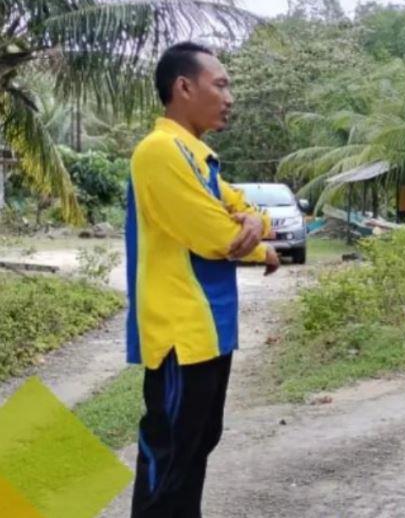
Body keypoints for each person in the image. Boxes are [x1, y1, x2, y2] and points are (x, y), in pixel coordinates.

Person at [126, 41, 280, 517]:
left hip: (212, 329)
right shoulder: (159, 151)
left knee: (197, 445)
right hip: (181, 331)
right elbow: (215, 234)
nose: (229, 96)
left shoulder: (199, 156)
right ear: (184, 87)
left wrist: (257, 222)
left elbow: (246, 209)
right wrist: (260, 243)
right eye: (221, 84)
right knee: (169, 450)